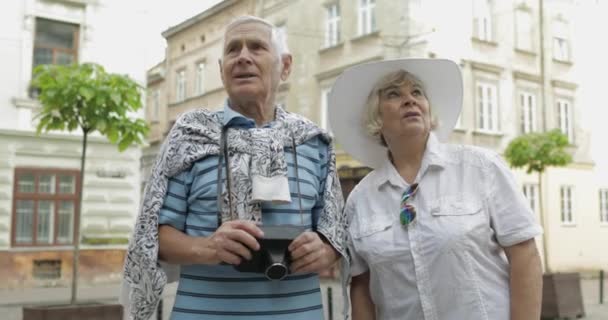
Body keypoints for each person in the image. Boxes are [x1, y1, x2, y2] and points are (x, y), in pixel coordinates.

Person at [121, 16, 348, 320]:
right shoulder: (190, 135)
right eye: (232, 50)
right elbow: (153, 237)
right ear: (221, 70)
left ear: (285, 65)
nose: (243, 57)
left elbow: (336, 235)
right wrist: (208, 248)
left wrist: (325, 251)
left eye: (256, 47)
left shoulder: (315, 144)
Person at [328, 59, 543, 320]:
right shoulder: (361, 200)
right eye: (394, 94)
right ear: (376, 119)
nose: (410, 100)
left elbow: (525, 254)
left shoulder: (479, 168)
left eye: (417, 92)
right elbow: (362, 286)